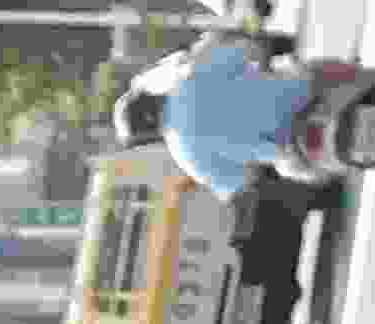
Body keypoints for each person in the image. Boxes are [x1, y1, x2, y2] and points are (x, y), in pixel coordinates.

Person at [134, 30, 328, 198]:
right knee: (319, 70)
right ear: (152, 95)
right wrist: (262, 71)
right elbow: (253, 49)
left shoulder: (187, 159)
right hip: (300, 91)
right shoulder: (189, 74)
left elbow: (246, 180)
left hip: (292, 147)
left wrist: (257, 152)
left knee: (299, 169)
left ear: (148, 137)